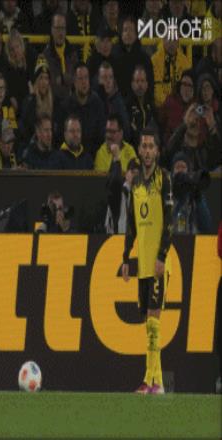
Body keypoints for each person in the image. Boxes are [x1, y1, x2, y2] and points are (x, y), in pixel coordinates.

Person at [122, 127, 174, 395]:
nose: (147, 151)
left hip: (157, 262)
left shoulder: (164, 179)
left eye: (151, 146)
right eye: (143, 146)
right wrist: (125, 257)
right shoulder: (135, 184)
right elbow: (131, 224)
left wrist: (162, 256)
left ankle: (147, 380)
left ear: (157, 151)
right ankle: (159, 383)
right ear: (139, 150)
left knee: (154, 322)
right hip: (142, 263)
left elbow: (170, 221)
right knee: (148, 324)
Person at [57, 62, 106, 156]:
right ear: (74, 82)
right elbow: (60, 138)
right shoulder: (65, 107)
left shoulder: (97, 103)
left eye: (86, 78)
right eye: (80, 78)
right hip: (71, 157)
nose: (84, 82)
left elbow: (101, 135)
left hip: (93, 157)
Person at [164, 103, 220, 172]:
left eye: (198, 120)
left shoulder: (204, 153)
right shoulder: (176, 149)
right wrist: (185, 124)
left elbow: (218, 159)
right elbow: (166, 155)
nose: (195, 122)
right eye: (193, 119)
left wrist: (211, 125)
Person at [42, 13, 80, 102]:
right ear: (52, 30)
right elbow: (44, 84)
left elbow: (77, 79)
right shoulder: (45, 56)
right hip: (52, 102)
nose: (61, 32)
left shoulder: (73, 54)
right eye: (57, 28)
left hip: (71, 102)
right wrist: (61, 80)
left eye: (63, 28)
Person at [170, 152, 212, 234]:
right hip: (171, 238)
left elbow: (206, 226)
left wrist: (198, 197)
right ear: (172, 172)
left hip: (192, 238)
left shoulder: (193, 192)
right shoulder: (167, 192)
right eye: (177, 167)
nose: (180, 170)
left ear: (188, 171)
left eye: (183, 167)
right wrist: (180, 197)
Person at [20, 59, 55, 143]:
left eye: (46, 78)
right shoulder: (29, 101)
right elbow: (25, 126)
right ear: (36, 81)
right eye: (41, 78)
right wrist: (32, 99)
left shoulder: (54, 102)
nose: (44, 82)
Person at [151, 37, 191, 109]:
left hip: (181, 107)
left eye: (174, 40)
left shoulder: (184, 61)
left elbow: (189, 88)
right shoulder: (155, 61)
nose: (172, 44)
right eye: (169, 39)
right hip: (160, 108)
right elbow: (156, 91)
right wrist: (170, 104)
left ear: (178, 41)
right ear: (163, 39)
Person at [104, 155, 140, 234]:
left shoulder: (141, 196)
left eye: (138, 174)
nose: (134, 176)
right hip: (116, 237)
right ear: (126, 174)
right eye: (132, 172)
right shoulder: (119, 192)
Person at [159, 69, 195, 145]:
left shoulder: (196, 105)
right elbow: (159, 121)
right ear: (180, 86)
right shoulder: (170, 101)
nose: (186, 89)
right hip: (170, 146)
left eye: (189, 85)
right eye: (184, 84)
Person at [95, 61, 131, 140]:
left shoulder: (119, 101)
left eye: (110, 77)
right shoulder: (94, 101)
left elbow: (126, 130)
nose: (108, 81)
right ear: (99, 80)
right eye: (104, 77)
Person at [126, 65, 158, 148]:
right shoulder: (126, 106)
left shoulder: (152, 106)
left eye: (142, 81)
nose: (140, 84)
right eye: (137, 81)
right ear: (132, 84)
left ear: (147, 84)